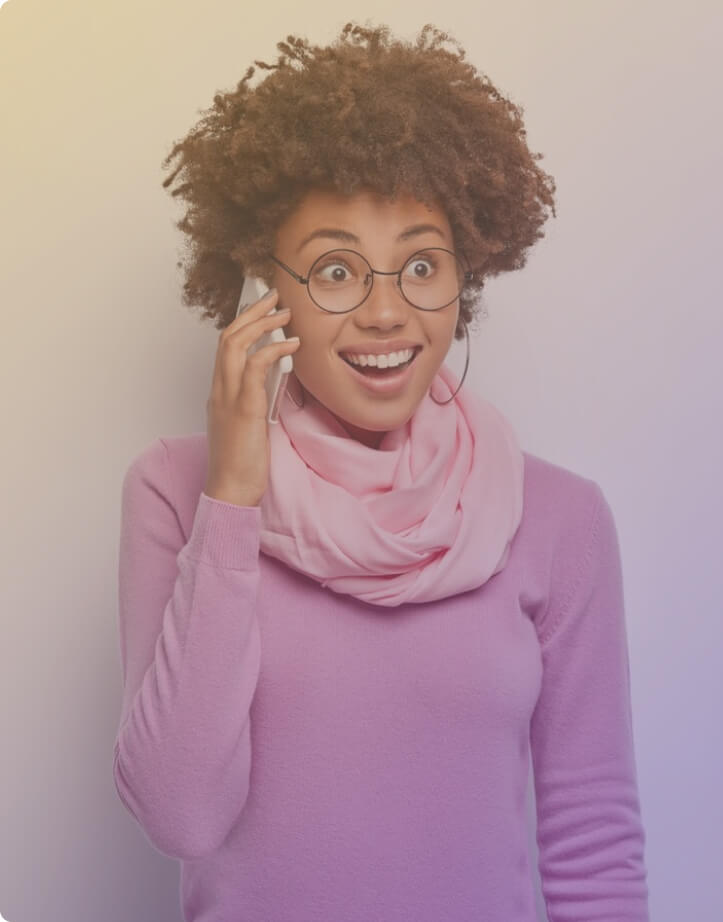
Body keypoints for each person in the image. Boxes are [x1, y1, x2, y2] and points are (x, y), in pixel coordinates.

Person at [113, 22, 650, 922]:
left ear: (464, 275)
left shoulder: (559, 518)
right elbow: (181, 813)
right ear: (263, 287)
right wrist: (235, 495)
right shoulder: (176, 491)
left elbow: (592, 838)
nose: (385, 312)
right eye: (335, 270)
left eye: (421, 266)